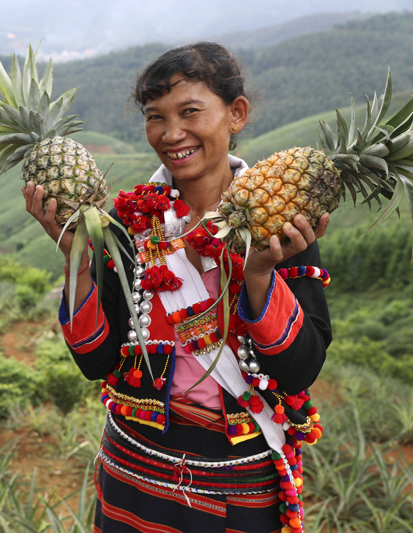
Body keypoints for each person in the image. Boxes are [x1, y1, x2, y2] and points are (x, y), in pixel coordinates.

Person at [23, 42, 330, 533]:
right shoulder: (128, 225)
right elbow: (94, 362)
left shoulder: (281, 227)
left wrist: (257, 277)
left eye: (190, 112)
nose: (171, 134)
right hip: (133, 471)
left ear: (237, 113)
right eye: (155, 117)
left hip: (237, 479)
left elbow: (300, 368)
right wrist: (76, 259)